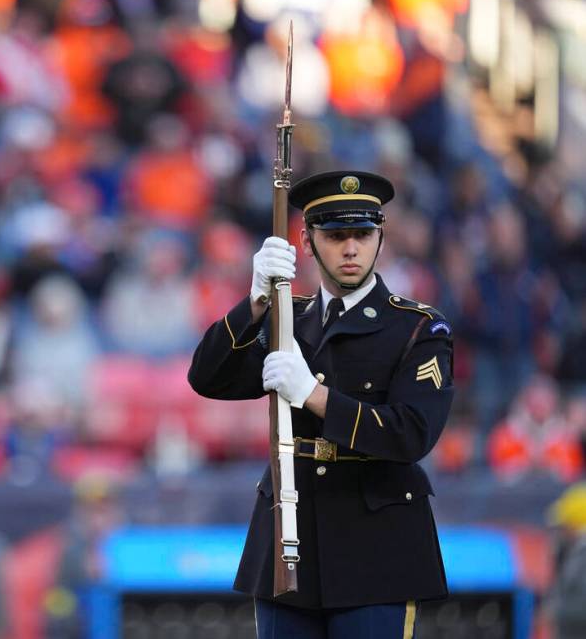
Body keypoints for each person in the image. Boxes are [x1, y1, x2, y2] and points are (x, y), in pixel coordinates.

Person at [188, 171, 454, 638]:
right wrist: (253, 303)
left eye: (363, 235)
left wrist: (314, 395)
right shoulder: (288, 318)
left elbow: (411, 433)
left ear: (380, 238)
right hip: (291, 543)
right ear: (307, 243)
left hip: (376, 549)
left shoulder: (416, 329)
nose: (350, 249)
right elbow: (208, 377)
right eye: (334, 236)